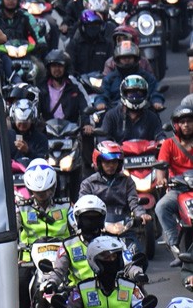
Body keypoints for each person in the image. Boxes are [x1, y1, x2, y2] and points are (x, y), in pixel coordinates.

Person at [48, 236, 164, 308]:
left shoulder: (130, 287)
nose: (111, 261)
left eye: (114, 257)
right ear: (95, 261)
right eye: (107, 258)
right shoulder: (82, 289)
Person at [16, 160, 71, 308]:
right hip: (29, 261)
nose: (42, 195)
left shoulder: (66, 206)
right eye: (38, 192)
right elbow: (11, 232)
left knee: (78, 285)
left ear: (53, 187)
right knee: (19, 285)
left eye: (46, 190)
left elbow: (78, 227)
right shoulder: (21, 209)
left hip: (62, 258)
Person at [79, 141, 151, 253]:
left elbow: (133, 202)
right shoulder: (88, 184)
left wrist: (141, 214)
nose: (111, 165)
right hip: (98, 229)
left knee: (138, 255)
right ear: (99, 162)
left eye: (114, 162)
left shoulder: (127, 181)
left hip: (124, 228)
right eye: (107, 162)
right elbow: (83, 207)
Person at [155, 106, 193, 267]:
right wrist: (161, 179)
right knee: (161, 207)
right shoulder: (169, 144)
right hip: (178, 190)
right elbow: (161, 166)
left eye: (189, 121)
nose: (186, 125)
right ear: (176, 125)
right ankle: (174, 245)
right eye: (182, 122)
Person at [98, 75, 164, 145]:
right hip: (119, 152)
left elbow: (159, 135)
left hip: (147, 151)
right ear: (123, 93)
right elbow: (103, 139)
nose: (135, 96)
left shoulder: (152, 117)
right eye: (131, 93)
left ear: (145, 94)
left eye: (139, 93)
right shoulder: (111, 116)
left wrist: (162, 141)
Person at [96, 43, 164, 110]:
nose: (127, 60)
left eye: (129, 57)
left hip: (143, 112)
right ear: (117, 59)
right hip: (116, 113)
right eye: (123, 57)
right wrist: (100, 103)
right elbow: (102, 94)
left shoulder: (146, 77)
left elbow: (155, 90)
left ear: (135, 58)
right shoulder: (109, 79)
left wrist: (156, 101)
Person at [38, 50, 90, 127]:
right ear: (49, 68)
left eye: (60, 66)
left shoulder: (74, 88)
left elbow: (84, 107)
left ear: (65, 68)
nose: (57, 69)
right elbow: (35, 110)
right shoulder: (41, 89)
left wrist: (87, 124)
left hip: (71, 131)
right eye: (53, 66)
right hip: (47, 131)